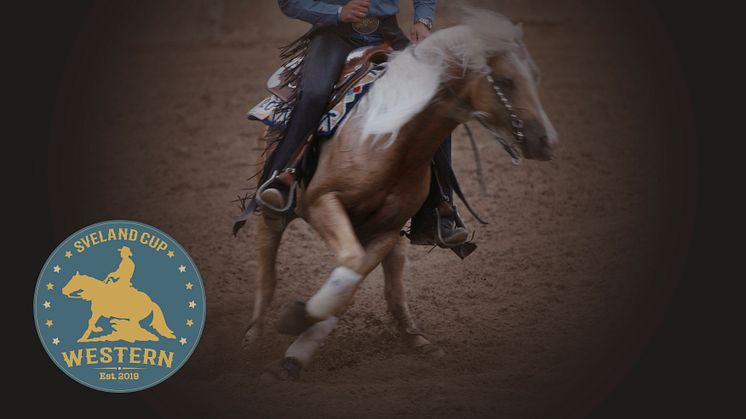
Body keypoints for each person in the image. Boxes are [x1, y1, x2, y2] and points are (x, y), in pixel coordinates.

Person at [259, 0, 468, 246]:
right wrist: (337, 12)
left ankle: (439, 208)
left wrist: (423, 20)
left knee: (437, 100)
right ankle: (284, 178)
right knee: (314, 94)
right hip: (333, 34)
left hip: (387, 33)